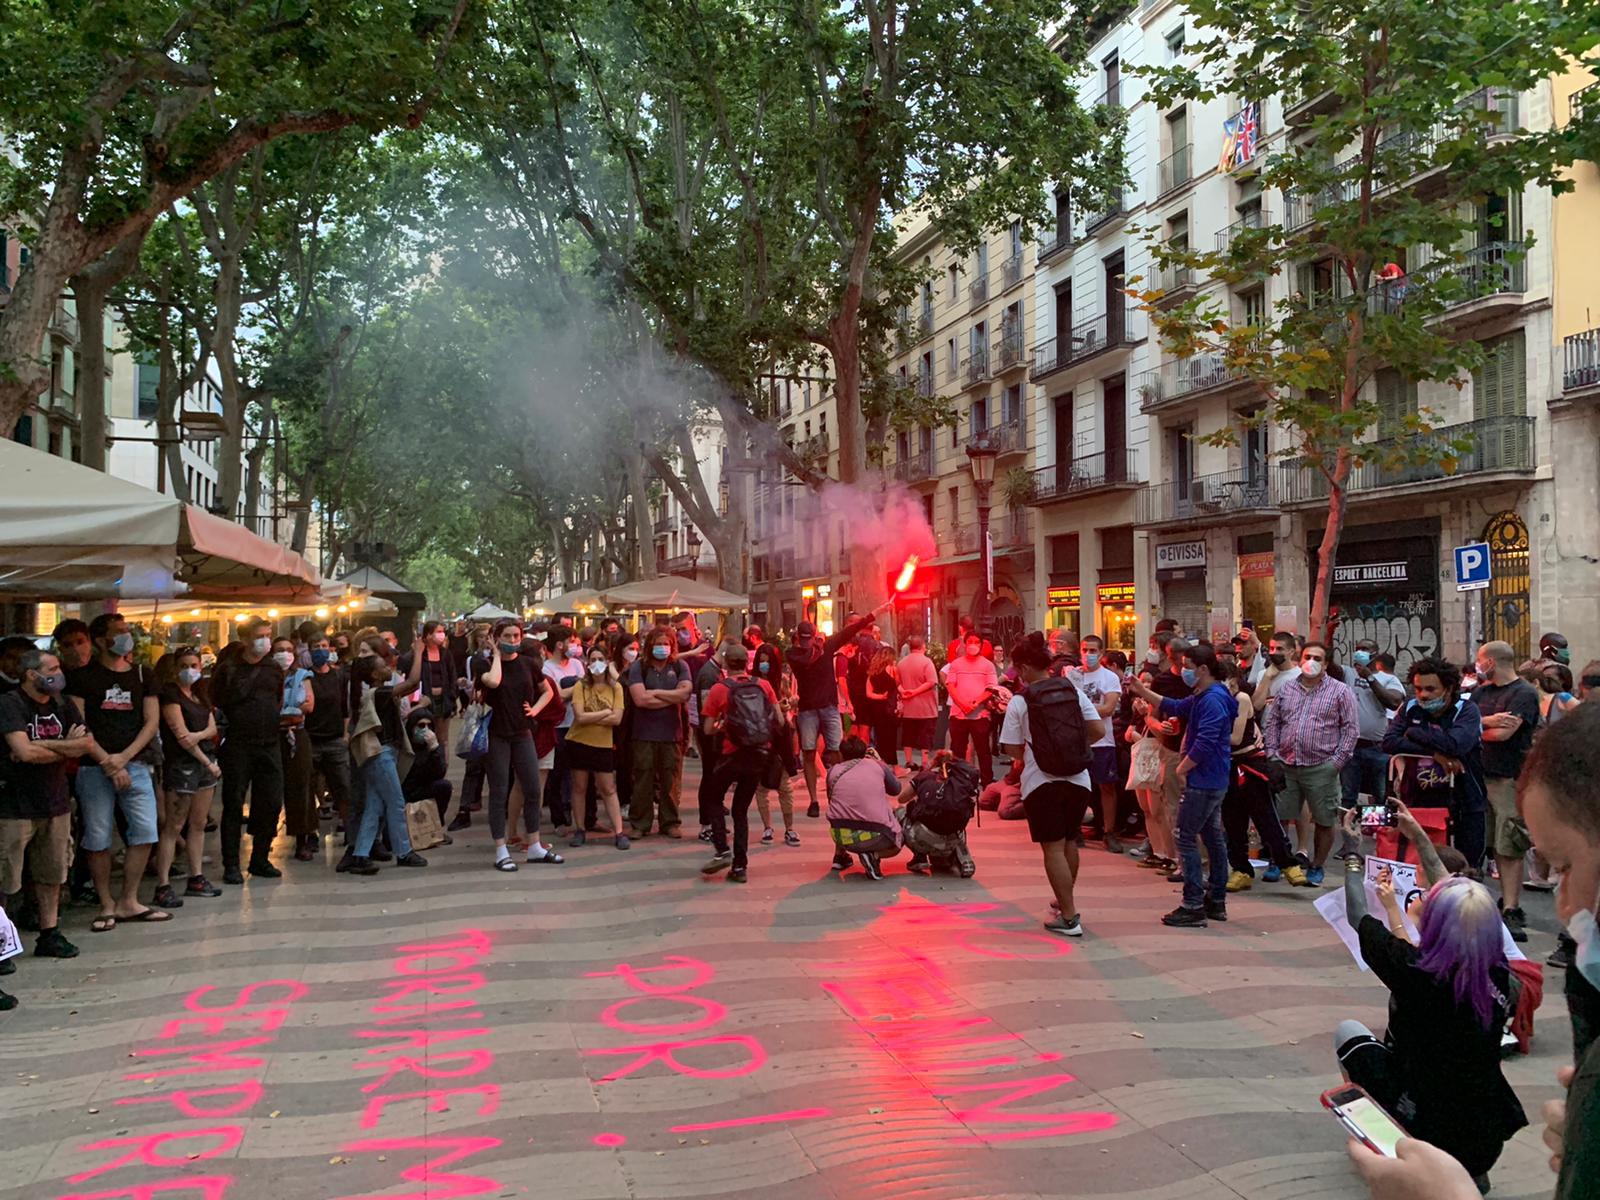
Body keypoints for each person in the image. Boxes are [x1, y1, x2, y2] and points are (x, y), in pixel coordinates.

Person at [1335, 847, 1525, 1188]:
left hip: (1424, 1126)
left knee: (1349, 1034)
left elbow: (1356, 916)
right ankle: (1469, 1170)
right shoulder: (1499, 974)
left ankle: (1388, 1142)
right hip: (1485, 1134)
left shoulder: (1416, 972)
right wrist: (1416, 838)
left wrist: (1352, 855)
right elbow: (1457, 897)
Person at [66, 613, 169, 928]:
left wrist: (123, 758)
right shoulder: (82, 678)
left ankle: (130, 899)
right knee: (97, 835)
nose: (126, 636)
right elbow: (79, 725)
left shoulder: (142, 675)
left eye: (127, 631)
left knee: (145, 831)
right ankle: (106, 903)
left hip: (135, 764)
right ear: (100, 640)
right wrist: (108, 762)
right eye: (118, 632)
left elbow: (151, 722)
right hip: (93, 767)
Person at [0, 649, 93, 995]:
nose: (58, 673)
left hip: (55, 802)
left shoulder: (63, 703)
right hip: (13, 806)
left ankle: (49, 932)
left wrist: (46, 745)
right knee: (6, 879)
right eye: (51, 668)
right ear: (31, 674)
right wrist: (64, 745)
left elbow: (85, 743)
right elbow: (21, 752)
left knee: (52, 872)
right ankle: (3, 944)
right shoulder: (10, 704)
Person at [1127, 642, 1238, 927]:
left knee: (1185, 837)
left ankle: (1193, 903)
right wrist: (1142, 690)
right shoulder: (1204, 695)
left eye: (1188, 666)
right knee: (1212, 836)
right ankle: (1215, 900)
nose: (1184, 671)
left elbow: (1206, 741)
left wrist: (1184, 768)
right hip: (1210, 778)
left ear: (1202, 669)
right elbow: (1173, 705)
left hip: (1205, 779)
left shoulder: (1212, 699)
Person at [999, 633, 1103, 935]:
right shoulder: (1073, 690)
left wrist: (1038, 753)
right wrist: (1072, 748)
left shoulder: (1021, 700)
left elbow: (1012, 749)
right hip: (1079, 779)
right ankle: (1063, 902)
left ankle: (1069, 917)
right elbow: (1096, 728)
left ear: (1025, 667)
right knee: (1070, 841)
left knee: (1052, 847)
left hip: (1041, 781)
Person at [1263, 640, 1358, 885]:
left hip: (1321, 766)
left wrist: (1336, 763)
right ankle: (1278, 862)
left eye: (1317, 658)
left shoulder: (1340, 691)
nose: (1311, 662)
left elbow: (1350, 730)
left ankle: (1317, 865)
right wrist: (1272, 755)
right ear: (1299, 658)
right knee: (1281, 817)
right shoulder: (1287, 689)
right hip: (1287, 764)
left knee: (1325, 819)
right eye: (1307, 657)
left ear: (1326, 664)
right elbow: (1273, 723)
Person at [1382, 656, 1487, 870]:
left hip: (1464, 799)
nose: (1423, 695)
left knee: (1466, 866)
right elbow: (1389, 741)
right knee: (1418, 862)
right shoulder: (1410, 707)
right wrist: (1433, 752)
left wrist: (1414, 732)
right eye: (1418, 688)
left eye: (1431, 689)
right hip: (1419, 800)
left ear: (1448, 688)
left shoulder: (1466, 710)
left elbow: (1455, 745)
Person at [477, 621, 562, 870]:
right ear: (495, 637)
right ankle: (500, 849)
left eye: (516, 635)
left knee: (533, 788)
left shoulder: (529, 664)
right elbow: (492, 682)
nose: (513, 640)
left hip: (523, 732)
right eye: (507, 635)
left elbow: (547, 691)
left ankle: (535, 844)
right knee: (499, 790)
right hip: (496, 734)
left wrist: (534, 710)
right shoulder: (484, 664)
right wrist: (495, 654)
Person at [1472, 639, 1542, 942]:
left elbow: (1504, 733)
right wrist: (1484, 721)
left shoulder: (1523, 693)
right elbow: (1462, 724)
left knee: (1508, 844)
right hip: (1478, 777)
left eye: (1480, 660)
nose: (1478, 666)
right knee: (1480, 843)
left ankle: (1511, 908)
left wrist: (1478, 728)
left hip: (1508, 779)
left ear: (1492, 662)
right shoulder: (1481, 692)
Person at [210, 616, 287, 884]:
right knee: (233, 803)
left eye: (268, 634)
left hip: (269, 743)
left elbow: (278, 698)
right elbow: (217, 698)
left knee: (270, 801)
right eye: (259, 635)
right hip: (238, 745)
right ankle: (231, 863)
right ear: (244, 639)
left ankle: (260, 858)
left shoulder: (273, 668)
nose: (265, 640)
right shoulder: (229, 669)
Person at [787, 607, 883, 818]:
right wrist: (819, 645)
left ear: (813, 636)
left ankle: (838, 795)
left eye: (808, 639)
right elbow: (806, 660)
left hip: (829, 706)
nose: (806, 643)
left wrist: (874, 613)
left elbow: (849, 631)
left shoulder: (826, 646)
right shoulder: (793, 654)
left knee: (837, 751)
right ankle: (814, 800)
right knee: (809, 752)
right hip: (808, 709)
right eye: (803, 640)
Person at [698, 644, 781, 883]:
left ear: (725, 664)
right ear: (747, 662)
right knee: (740, 810)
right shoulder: (763, 686)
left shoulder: (719, 689)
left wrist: (724, 725)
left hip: (732, 754)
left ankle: (722, 848)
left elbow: (707, 728)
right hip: (758, 755)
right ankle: (740, 866)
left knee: (714, 797)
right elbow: (780, 720)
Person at [1219, 661, 1305, 890]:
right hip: (1226, 767)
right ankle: (1240, 869)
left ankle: (1288, 863)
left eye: (1227, 680)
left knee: (1265, 817)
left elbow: (1236, 738)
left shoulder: (1241, 699)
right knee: (1232, 822)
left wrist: (1205, 735)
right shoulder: (1212, 701)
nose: (1224, 685)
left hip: (1250, 766)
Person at [343, 649, 428, 876]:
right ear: (374, 675)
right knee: (396, 802)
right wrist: (419, 651)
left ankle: (360, 855)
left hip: (378, 754)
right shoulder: (379, 693)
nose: (388, 668)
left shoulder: (374, 693)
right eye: (382, 666)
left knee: (375, 806)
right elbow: (413, 682)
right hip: (381, 754)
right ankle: (404, 851)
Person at [152, 647, 222, 907]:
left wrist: (200, 737)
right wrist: (206, 759)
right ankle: (163, 884)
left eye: (194, 664)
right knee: (174, 825)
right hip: (183, 765)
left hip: (204, 763)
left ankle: (196, 876)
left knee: (198, 823)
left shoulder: (201, 693)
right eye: (184, 665)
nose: (190, 670)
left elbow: (212, 727)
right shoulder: (170, 695)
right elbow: (181, 736)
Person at [626, 626, 691, 838]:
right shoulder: (639, 667)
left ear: (672, 646)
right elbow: (640, 699)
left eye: (666, 644)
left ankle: (670, 822)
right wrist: (670, 696)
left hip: (672, 734)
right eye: (658, 643)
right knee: (642, 778)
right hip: (643, 733)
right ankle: (640, 824)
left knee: (670, 779)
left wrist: (655, 693)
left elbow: (685, 694)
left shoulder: (680, 666)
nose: (662, 648)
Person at [566, 643, 627, 850]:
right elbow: (580, 717)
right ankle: (580, 828)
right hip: (579, 741)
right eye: (593, 660)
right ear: (587, 663)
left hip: (603, 744)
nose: (597, 664)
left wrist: (597, 717)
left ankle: (619, 832)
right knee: (580, 786)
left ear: (608, 662)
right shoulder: (580, 686)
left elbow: (617, 718)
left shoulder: (615, 687)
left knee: (608, 788)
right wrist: (604, 713)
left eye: (601, 659)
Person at [1070, 634, 1123, 850]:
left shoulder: (1109, 678)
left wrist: (1082, 711)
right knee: (1076, 787)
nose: (1088, 654)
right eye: (1085, 650)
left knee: (1107, 787)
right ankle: (1075, 829)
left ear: (1101, 653)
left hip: (1103, 740)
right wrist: (1091, 711)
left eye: (1093, 651)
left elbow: (1109, 708)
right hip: (1077, 741)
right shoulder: (1072, 676)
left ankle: (1109, 832)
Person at [1343, 638, 1404, 817]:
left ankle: (1376, 833)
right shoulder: (1347, 673)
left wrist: (1369, 677)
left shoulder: (1387, 679)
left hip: (1376, 747)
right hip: (1351, 747)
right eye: (1358, 648)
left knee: (1379, 794)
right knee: (1348, 796)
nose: (1360, 651)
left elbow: (1393, 702)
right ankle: (1350, 835)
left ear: (1375, 653)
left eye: (1365, 649)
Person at [1125, 665, 1177, 872]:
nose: (1144, 685)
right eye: (1142, 681)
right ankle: (1157, 852)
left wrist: (1147, 716)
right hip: (1141, 760)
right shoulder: (1137, 708)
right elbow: (1129, 732)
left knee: (1159, 810)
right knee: (1146, 809)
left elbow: (1163, 736)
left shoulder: (1161, 709)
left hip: (1158, 758)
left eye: (1149, 682)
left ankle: (1170, 854)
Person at [271, 636, 318, 863]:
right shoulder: (268, 676)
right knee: (270, 788)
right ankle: (265, 838)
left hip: (297, 736)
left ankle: (303, 838)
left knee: (301, 787)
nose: (285, 654)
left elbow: (308, 704)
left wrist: (288, 712)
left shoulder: (302, 676)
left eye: (289, 650)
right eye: (280, 650)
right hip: (272, 736)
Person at [304, 631, 352, 837]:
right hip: (311, 740)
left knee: (342, 786)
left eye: (324, 646)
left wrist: (345, 734)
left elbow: (345, 707)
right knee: (308, 788)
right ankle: (309, 832)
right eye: (316, 647)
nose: (321, 651)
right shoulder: (304, 676)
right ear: (309, 650)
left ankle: (349, 826)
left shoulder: (339, 675)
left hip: (334, 739)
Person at [752, 641, 799, 846]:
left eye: (767, 662)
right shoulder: (753, 682)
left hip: (781, 737)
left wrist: (787, 705)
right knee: (761, 787)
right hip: (761, 737)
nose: (764, 666)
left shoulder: (782, 681)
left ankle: (789, 829)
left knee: (784, 786)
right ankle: (767, 827)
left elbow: (788, 703)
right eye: (761, 662)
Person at [543, 626, 585, 830]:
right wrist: (577, 688)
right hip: (558, 726)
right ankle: (558, 817)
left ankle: (575, 812)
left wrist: (570, 690)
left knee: (575, 772)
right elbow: (556, 696)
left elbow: (587, 689)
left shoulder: (577, 664)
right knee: (557, 773)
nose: (576, 646)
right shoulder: (547, 668)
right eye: (572, 642)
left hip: (578, 723)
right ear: (560, 644)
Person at [945, 631, 1000, 787]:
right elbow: (950, 685)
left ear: (981, 645)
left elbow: (991, 688)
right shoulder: (956, 664)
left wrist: (975, 703)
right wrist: (963, 704)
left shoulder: (988, 665)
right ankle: (956, 782)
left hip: (980, 715)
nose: (973, 645)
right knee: (957, 752)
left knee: (983, 751)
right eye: (970, 642)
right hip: (958, 715)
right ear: (965, 643)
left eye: (977, 642)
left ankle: (987, 783)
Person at [693, 642, 731, 842]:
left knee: (715, 779)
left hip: (715, 733)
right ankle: (706, 823)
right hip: (710, 734)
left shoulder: (715, 671)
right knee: (709, 779)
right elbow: (709, 707)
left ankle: (713, 822)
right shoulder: (709, 674)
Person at [410, 621, 460, 754]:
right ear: (428, 635)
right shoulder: (419, 654)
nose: (442, 635)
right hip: (425, 700)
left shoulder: (445, 654)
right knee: (425, 735)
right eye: (438, 632)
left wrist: (452, 697)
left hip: (444, 700)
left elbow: (452, 676)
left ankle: (442, 766)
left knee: (442, 738)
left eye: (442, 631)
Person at [896, 635, 940, 771]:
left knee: (908, 735)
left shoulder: (901, 663)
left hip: (908, 708)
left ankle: (909, 761)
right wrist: (915, 692)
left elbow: (897, 682)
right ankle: (925, 762)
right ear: (923, 647)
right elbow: (931, 682)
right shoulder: (927, 662)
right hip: (926, 708)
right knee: (925, 736)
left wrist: (904, 692)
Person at [865, 646, 900, 765]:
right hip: (889, 709)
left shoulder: (872, 672)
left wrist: (879, 696)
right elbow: (898, 685)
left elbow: (868, 693)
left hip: (876, 709)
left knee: (880, 737)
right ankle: (895, 766)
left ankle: (881, 763)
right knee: (891, 738)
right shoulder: (892, 669)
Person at [1252, 629, 1301, 713]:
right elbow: (1256, 705)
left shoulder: (1300, 675)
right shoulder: (1263, 674)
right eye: (1272, 648)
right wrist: (1267, 677)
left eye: (1279, 649)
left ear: (1291, 652)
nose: (1274, 652)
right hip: (1267, 724)